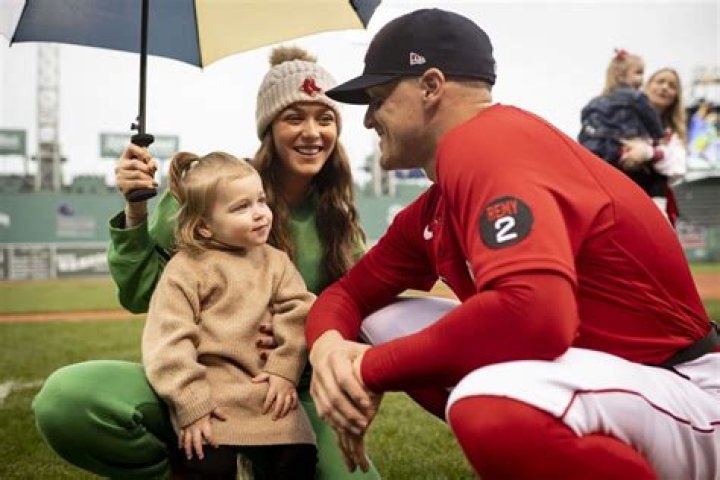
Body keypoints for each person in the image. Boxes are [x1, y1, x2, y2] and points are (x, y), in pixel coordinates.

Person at [304, 8, 720, 480]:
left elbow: (535, 315)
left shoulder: (488, 142)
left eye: (378, 99)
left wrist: (369, 369)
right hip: (617, 384)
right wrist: (329, 353)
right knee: (380, 319)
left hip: (684, 386)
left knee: (491, 405)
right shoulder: (442, 195)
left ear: (431, 86)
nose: (368, 120)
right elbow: (348, 295)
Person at [32, 46, 382, 480]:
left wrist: (295, 339)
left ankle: (262, 456)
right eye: (294, 117)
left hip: (288, 394)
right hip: (202, 380)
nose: (312, 132)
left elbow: (357, 317)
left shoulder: (341, 224)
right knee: (66, 400)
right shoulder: (209, 193)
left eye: (325, 118)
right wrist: (135, 210)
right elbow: (140, 295)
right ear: (268, 127)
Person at [143, 151, 317, 479]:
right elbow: (168, 341)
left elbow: (299, 314)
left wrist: (284, 371)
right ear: (204, 227)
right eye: (241, 207)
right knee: (206, 461)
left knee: (298, 459)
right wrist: (191, 404)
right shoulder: (186, 268)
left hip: (269, 395)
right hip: (211, 397)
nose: (260, 213)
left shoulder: (276, 262)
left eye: (261, 201)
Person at [578, 49, 668, 200]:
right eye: (638, 73)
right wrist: (659, 137)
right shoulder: (636, 97)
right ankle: (659, 208)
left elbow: (585, 125)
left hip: (598, 158)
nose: (642, 78)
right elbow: (654, 124)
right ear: (621, 76)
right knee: (655, 179)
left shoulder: (594, 103)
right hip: (626, 155)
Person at [618, 68, 688, 224]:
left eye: (672, 85)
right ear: (647, 86)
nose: (665, 87)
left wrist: (649, 153)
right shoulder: (623, 115)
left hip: (655, 202)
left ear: (676, 96)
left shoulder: (672, 131)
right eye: (660, 81)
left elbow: (677, 167)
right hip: (620, 194)